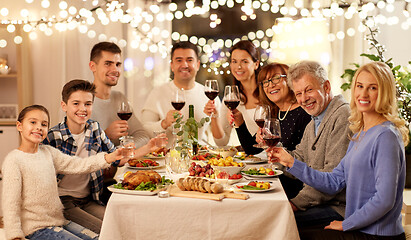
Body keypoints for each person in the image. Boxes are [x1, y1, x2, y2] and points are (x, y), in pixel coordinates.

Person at [269, 62, 408, 240]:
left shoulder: (386, 135)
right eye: (359, 86)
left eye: (372, 88)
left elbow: (384, 200)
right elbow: (334, 181)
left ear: (384, 92)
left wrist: (346, 224)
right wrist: (290, 162)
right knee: (284, 229)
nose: (363, 94)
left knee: (287, 230)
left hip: (376, 234)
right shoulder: (361, 133)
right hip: (359, 227)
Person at [1, 105, 125, 240]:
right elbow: (10, 203)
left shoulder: (48, 152)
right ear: (19, 126)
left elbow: (78, 165)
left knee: (100, 237)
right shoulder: (14, 160)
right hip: (35, 228)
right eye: (32, 122)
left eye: (44, 124)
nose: (39, 127)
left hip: (58, 222)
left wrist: (108, 158)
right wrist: (15, 236)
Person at [268, 60, 351, 228]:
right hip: (321, 202)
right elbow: (300, 158)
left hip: (339, 207)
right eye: (298, 94)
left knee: (277, 221)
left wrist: (296, 203)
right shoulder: (313, 122)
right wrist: (279, 156)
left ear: (326, 87)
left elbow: (332, 183)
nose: (304, 99)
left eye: (309, 90)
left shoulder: (343, 116)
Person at [141, 41, 225, 147]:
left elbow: (222, 143)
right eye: (179, 60)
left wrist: (215, 117)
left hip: (201, 158)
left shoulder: (209, 95)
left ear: (198, 65)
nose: (184, 65)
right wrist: (164, 123)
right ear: (172, 65)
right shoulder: (157, 92)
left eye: (189, 60)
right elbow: (144, 131)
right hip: (167, 159)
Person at [247, 63, 311, 199]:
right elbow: (251, 149)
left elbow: (305, 159)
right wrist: (240, 124)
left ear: (289, 81)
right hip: (277, 179)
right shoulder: (274, 113)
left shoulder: (304, 112)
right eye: (265, 82)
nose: (270, 85)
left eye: (276, 79)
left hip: (296, 188)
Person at [88, 41, 150, 148]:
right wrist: (105, 135)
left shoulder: (119, 98)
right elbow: (75, 147)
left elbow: (142, 135)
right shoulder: (79, 100)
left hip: (119, 163)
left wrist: (120, 151)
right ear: (93, 66)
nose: (114, 69)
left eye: (118, 64)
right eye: (108, 64)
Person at [208, 40, 262, 147]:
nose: (238, 67)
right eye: (234, 61)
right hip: (247, 160)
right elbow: (221, 142)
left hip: (270, 157)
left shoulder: (267, 93)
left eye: (244, 61)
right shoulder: (231, 98)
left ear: (256, 64)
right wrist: (214, 116)